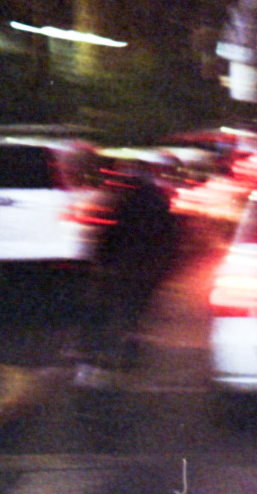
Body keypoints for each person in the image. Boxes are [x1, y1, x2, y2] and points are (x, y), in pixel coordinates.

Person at [75, 165, 183, 388]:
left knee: (106, 313)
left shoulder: (122, 202)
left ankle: (96, 361)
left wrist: (99, 262)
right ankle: (123, 361)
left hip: (121, 268)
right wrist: (164, 270)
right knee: (131, 316)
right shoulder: (158, 204)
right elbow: (169, 239)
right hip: (144, 270)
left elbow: (107, 236)